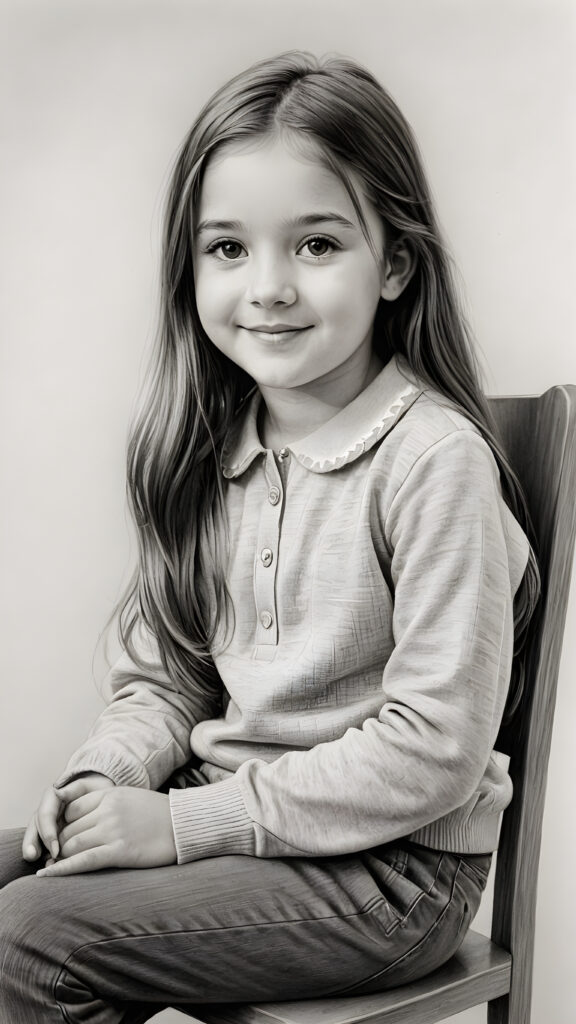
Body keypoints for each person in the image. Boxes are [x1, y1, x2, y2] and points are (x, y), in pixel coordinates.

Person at [0, 51, 539, 1022]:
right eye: (229, 248)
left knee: (30, 938)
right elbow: (172, 680)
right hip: (241, 818)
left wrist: (183, 821)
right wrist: (106, 777)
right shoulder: (212, 456)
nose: (270, 286)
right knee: (17, 885)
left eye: (318, 244)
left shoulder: (433, 461)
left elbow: (434, 747)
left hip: (392, 875)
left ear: (397, 263)